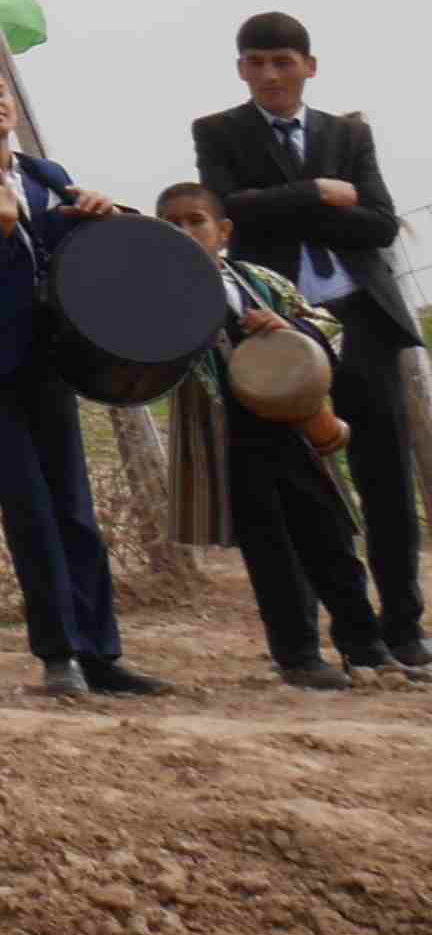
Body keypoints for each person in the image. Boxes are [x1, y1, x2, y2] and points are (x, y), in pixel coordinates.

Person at [192, 13, 423, 673]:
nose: (270, 74)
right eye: (256, 62)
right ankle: (319, 644)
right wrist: (320, 193)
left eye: (283, 62)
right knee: (300, 492)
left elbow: (380, 224)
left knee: (387, 482)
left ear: (309, 67)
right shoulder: (219, 132)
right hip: (277, 331)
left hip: (364, 322)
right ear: (241, 69)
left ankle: (404, 629)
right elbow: (235, 208)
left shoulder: (349, 134)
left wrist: (283, 202)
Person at [0, 56, 158, 696]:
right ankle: (59, 655)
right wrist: (3, 225)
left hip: (48, 356)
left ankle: (103, 653)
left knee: (75, 509)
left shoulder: (42, 175)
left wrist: (101, 212)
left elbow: (73, 261)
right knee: (29, 507)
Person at [157, 177, 394, 689]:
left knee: (330, 536)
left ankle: (366, 646)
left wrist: (290, 331)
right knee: (272, 552)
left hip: (294, 428)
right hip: (227, 440)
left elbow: (327, 328)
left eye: (195, 221)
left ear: (223, 231)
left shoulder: (259, 281)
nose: (183, 231)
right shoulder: (160, 298)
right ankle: (298, 656)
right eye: (170, 226)